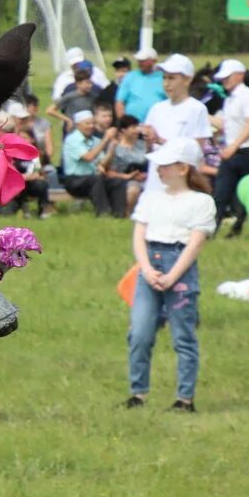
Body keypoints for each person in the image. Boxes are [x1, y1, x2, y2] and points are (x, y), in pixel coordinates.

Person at [126, 138, 214, 413]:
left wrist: (173, 275)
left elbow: (195, 243)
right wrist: (147, 269)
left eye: (165, 165)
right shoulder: (151, 198)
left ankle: (184, 398)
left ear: (183, 168)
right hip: (150, 263)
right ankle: (137, 393)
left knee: (183, 335)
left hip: (180, 267)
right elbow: (139, 235)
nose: (160, 170)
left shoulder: (202, 202)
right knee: (139, 332)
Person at [137, 55, 214, 205]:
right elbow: (150, 151)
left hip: (180, 181)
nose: (166, 84)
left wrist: (161, 140)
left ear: (187, 80)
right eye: (164, 78)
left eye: (172, 78)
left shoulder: (196, 109)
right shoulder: (156, 109)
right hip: (156, 178)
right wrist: (149, 140)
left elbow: (197, 151)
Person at [209, 57, 249, 236]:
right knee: (221, 190)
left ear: (240, 75)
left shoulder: (248, 96)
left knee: (246, 193)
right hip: (231, 151)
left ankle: (238, 226)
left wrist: (234, 145)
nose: (225, 80)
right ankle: (213, 227)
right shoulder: (230, 99)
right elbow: (227, 124)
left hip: (248, 151)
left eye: (228, 76)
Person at [58, 108, 109, 214]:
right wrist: (106, 140)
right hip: (74, 180)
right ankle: (103, 213)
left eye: (92, 123)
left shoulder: (96, 141)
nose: (91, 126)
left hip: (91, 178)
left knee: (115, 181)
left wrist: (112, 146)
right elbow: (89, 157)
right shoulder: (72, 140)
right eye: (87, 123)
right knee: (95, 180)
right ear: (78, 125)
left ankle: (119, 212)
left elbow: (103, 162)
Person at [98, 110, 144, 218]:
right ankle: (127, 214)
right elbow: (107, 171)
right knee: (133, 189)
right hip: (122, 180)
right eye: (133, 127)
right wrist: (127, 176)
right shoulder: (115, 147)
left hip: (144, 178)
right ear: (123, 130)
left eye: (137, 126)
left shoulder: (142, 145)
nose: (137, 130)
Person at [116, 47, 165, 122]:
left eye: (143, 61)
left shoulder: (163, 78)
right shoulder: (131, 76)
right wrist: (123, 123)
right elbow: (120, 101)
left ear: (153, 61)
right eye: (139, 60)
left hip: (156, 124)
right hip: (132, 126)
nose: (140, 63)